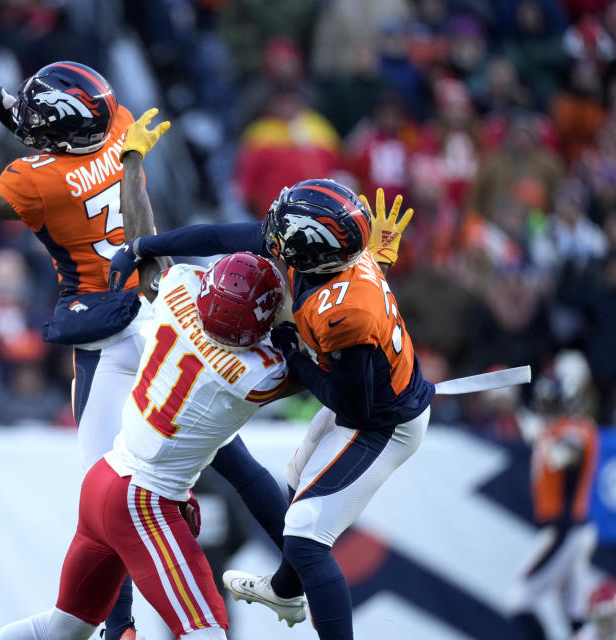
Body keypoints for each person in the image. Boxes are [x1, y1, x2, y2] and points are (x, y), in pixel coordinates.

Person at [0, 35, 292, 639]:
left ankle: (121, 627)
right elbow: (47, 131)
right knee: (230, 455)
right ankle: (297, 557)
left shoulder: (35, 182)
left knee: (103, 497)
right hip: (166, 313)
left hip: (107, 334)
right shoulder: (116, 126)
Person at [110, 183, 431, 639]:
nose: (270, 235)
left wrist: (294, 353)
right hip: (365, 396)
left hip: (382, 424)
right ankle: (283, 589)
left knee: (305, 533)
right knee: (296, 483)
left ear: (309, 252)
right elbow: (223, 237)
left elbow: (353, 408)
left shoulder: (343, 314)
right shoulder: (335, 263)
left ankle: (302, 601)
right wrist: (146, 245)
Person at [0, 251, 294, 640]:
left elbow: (153, 258)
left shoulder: (179, 288)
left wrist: (146, 230)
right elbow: (327, 365)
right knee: (206, 631)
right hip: (143, 498)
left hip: (106, 476)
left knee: (61, 628)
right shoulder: (256, 372)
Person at [511, 350, 600, 640]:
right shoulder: (554, 430)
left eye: (552, 402)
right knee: (576, 619)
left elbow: (567, 455)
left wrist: (545, 438)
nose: (546, 408)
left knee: (519, 600)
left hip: (565, 530)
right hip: (569, 530)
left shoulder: (574, 430)